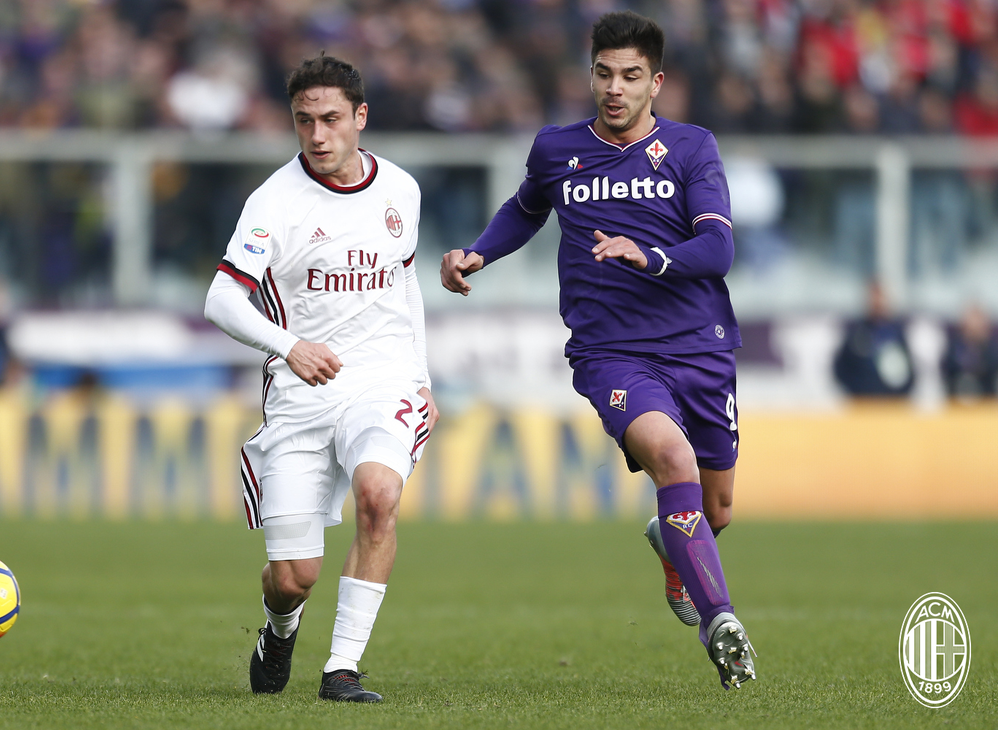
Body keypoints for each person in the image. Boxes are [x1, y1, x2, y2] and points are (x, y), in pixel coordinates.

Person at [441, 11, 755, 690]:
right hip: (612, 352)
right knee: (672, 458)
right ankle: (721, 623)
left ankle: (674, 547)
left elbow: (719, 249)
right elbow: (527, 208)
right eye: (604, 73)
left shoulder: (692, 147)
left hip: (699, 346)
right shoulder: (556, 149)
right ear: (590, 75)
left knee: (717, 507)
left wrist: (649, 255)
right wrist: (477, 252)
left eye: (631, 76)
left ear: (657, 83)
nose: (615, 88)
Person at [204, 54, 438, 703]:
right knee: (293, 576)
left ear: (360, 117)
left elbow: (404, 283)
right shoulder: (273, 202)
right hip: (301, 392)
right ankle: (280, 629)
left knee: (377, 496)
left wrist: (419, 378)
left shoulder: (401, 189)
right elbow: (221, 300)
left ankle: (342, 670)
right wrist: (290, 346)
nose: (317, 134)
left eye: (331, 118)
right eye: (304, 120)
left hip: (381, 378)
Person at [832, 280, 915, 398]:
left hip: (891, 405)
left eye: (880, 297)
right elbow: (841, 368)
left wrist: (898, 395)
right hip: (863, 405)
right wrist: (857, 391)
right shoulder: (857, 331)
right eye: (873, 297)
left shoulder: (896, 332)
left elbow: (910, 372)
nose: (877, 302)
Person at [941, 303, 998, 399]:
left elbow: (991, 369)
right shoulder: (955, 345)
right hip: (957, 400)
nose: (975, 324)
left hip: (986, 400)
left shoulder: (990, 347)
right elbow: (948, 370)